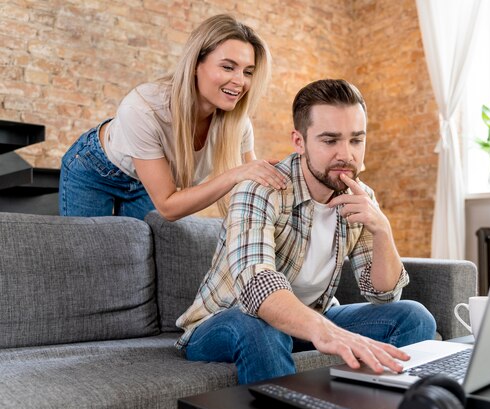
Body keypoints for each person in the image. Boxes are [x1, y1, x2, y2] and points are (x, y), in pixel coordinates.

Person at [176, 79, 436, 385]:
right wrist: (327, 332)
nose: (346, 155)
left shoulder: (360, 196)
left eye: (356, 140)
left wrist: (382, 230)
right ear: (299, 141)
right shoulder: (261, 189)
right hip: (224, 322)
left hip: (312, 316)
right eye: (330, 141)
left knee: (413, 316)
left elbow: (383, 293)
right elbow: (258, 286)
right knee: (260, 327)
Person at [59, 14, 286, 221]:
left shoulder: (239, 126)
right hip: (97, 171)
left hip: (148, 184)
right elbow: (168, 206)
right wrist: (235, 174)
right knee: (88, 254)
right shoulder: (143, 108)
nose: (240, 81)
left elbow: (252, 183)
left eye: (248, 72)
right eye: (228, 67)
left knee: (136, 254)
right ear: (196, 64)